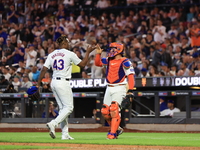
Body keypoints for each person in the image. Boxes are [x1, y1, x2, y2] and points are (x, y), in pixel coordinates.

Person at [37, 34, 96, 140]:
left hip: (54, 82)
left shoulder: (52, 54)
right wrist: (87, 52)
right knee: (69, 108)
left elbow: (44, 69)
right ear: (63, 43)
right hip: (63, 82)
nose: (69, 44)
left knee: (63, 109)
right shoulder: (69, 53)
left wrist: (38, 84)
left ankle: (65, 134)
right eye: (67, 42)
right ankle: (53, 123)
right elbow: (82, 65)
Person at [95, 43, 135, 139]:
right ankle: (117, 128)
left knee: (114, 109)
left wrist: (130, 90)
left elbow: (131, 76)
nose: (111, 51)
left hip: (120, 86)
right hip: (109, 87)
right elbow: (98, 63)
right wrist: (98, 54)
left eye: (113, 49)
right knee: (105, 111)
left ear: (119, 50)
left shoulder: (125, 61)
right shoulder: (108, 60)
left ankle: (112, 134)